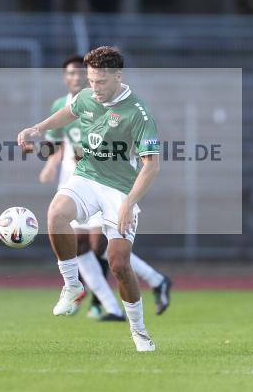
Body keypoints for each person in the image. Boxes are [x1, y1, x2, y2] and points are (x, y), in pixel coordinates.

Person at [18, 46, 160, 352]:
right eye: (91, 80)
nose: (94, 88)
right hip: (87, 176)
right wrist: (38, 128)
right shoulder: (86, 96)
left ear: (118, 76)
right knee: (56, 213)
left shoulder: (137, 113)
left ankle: (139, 331)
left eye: (101, 82)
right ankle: (72, 286)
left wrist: (128, 203)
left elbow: (152, 166)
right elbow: (69, 112)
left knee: (119, 263)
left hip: (121, 189)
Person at [40, 56, 173, 320]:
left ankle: (148, 283)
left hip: (107, 181)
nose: (78, 79)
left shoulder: (112, 104)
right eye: (73, 75)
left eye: (84, 75)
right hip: (76, 181)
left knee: (103, 248)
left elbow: (135, 154)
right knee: (78, 246)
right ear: (65, 78)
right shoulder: (65, 104)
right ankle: (104, 303)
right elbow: (56, 144)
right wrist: (51, 162)